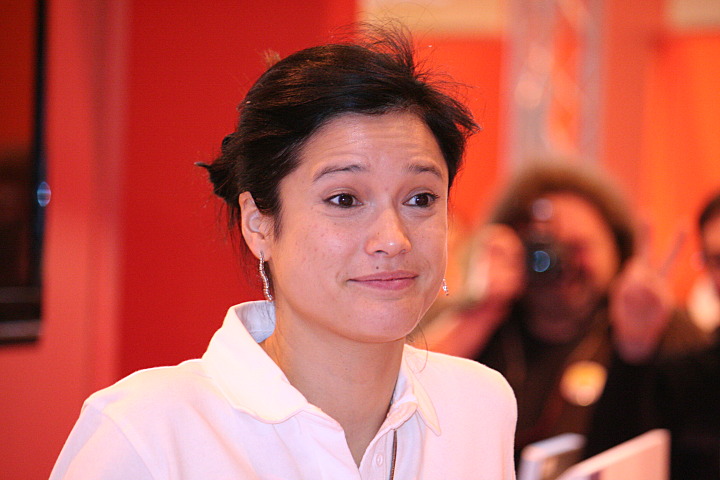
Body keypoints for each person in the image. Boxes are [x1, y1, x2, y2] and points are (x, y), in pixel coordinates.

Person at [50, 24, 517, 479]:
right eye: (344, 200)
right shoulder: (148, 434)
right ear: (259, 224)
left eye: (421, 198)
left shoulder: (479, 404)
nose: (394, 239)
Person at [423, 161, 708, 459]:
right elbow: (408, 388)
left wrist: (638, 349)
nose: (558, 264)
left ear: (616, 248)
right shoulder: (481, 324)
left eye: (577, 248)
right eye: (543, 248)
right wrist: (482, 310)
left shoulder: (660, 325)